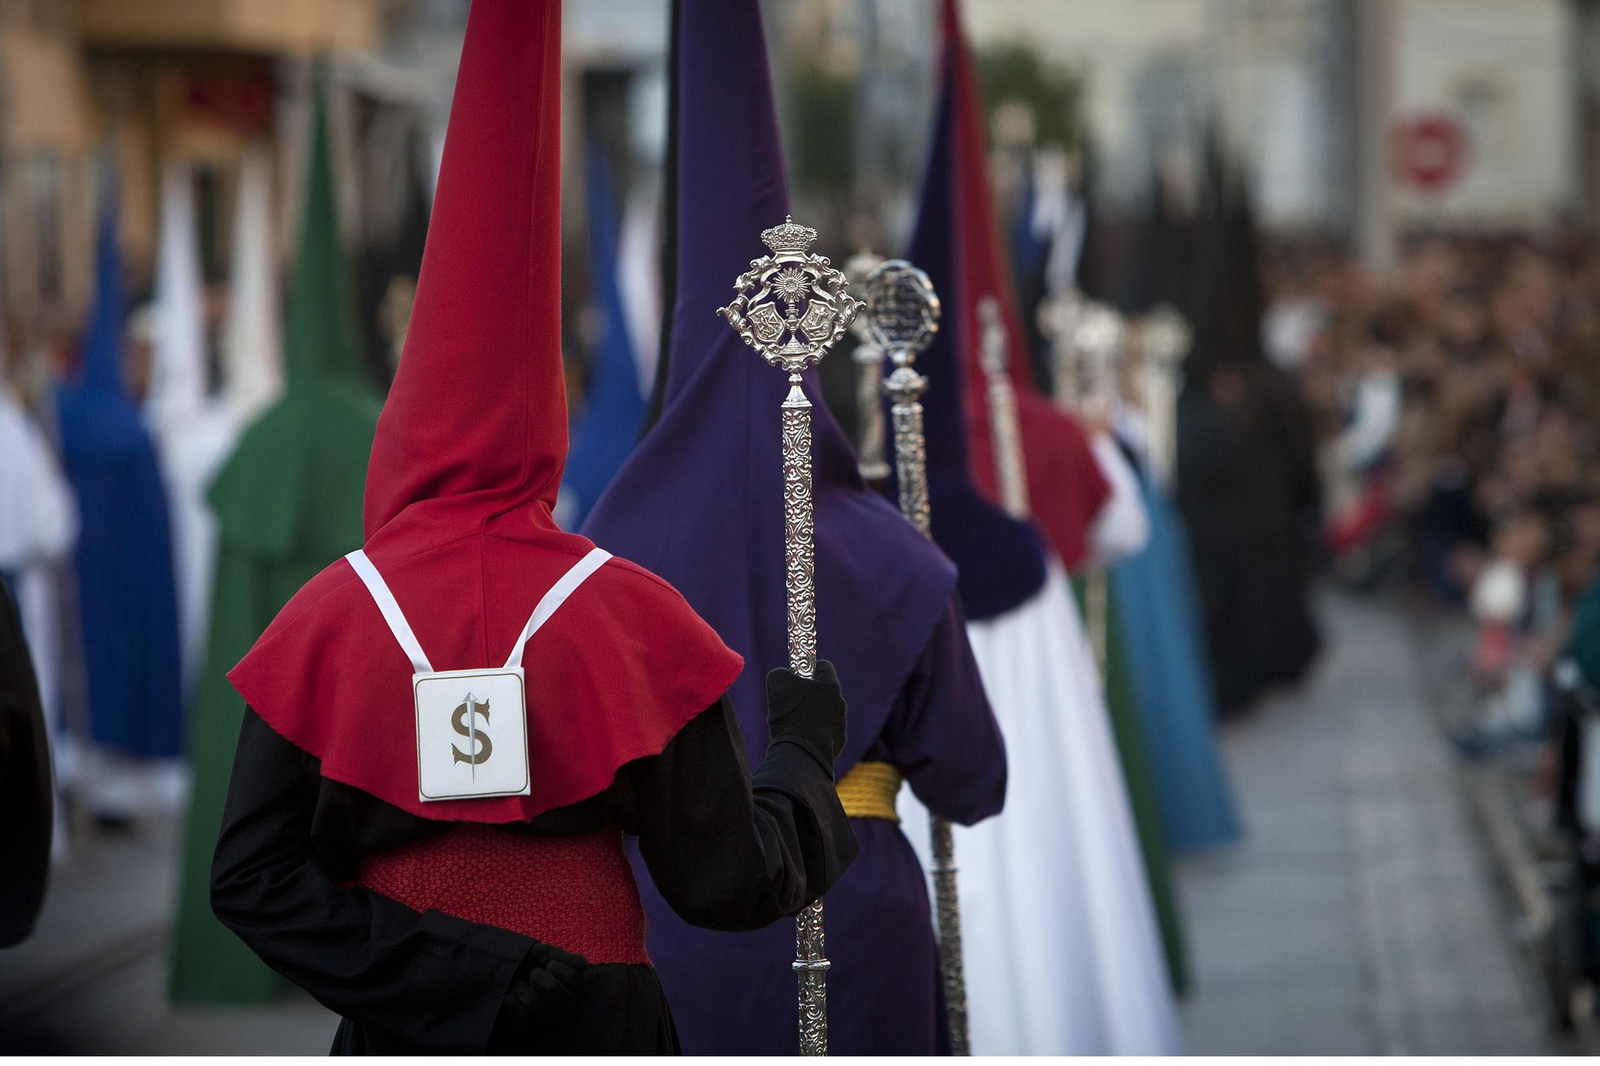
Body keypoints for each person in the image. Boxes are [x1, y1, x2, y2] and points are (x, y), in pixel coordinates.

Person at [207, 3, 856, 1053]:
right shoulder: (632, 614)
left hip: (403, 1027)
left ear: (402, 424)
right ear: (550, 423)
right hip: (597, 1016)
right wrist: (802, 758)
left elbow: (249, 880)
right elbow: (727, 882)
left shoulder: (323, 618)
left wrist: (447, 970)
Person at [579, 0, 1005, 1053]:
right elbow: (972, 776)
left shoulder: (600, 554)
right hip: (858, 908)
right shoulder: (893, 553)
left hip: (670, 925)